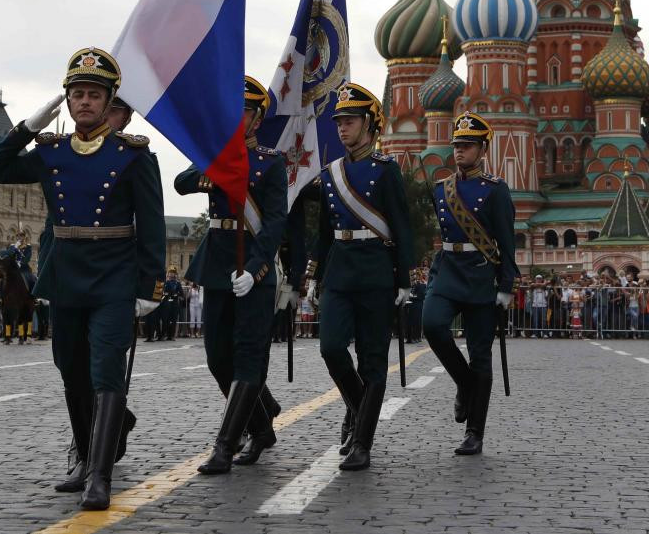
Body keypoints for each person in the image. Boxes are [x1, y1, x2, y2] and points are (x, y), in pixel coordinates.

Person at [0, 46, 166, 510]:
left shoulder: (134, 156)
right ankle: (87, 453)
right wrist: (27, 128)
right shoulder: (51, 153)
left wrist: (150, 287)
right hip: (65, 277)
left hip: (113, 278)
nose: (84, 102)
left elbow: (153, 226)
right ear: (67, 102)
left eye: (94, 95)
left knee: (105, 370)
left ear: (109, 103)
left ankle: (99, 476)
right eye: (77, 94)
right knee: (71, 370)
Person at [175, 75, 294, 475]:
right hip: (217, 265)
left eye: (243, 110)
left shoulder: (271, 163)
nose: (235, 117)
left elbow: (275, 223)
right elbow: (180, 184)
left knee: (247, 358)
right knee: (216, 359)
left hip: (252, 269)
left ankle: (226, 445)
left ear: (257, 118)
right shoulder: (216, 155)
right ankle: (262, 423)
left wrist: (258, 269)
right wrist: (212, 160)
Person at [308, 82, 413, 472]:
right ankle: (357, 408)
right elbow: (322, 231)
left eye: (350, 121)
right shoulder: (331, 172)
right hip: (339, 269)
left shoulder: (386, 170)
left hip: (375, 271)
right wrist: (314, 276)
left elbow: (401, 224)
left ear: (370, 124)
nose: (342, 128)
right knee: (331, 348)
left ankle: (362, 443)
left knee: (372, 361)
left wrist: (403, 278)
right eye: (339, 122)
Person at [422, 111, 517, 456]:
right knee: (432, 325)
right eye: (457, 145)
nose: (459, 151)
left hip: (480, 275)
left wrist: (506, 286)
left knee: (481, 356)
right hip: (448, 271)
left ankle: (475, 431)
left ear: (482, 149)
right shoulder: (441, 189)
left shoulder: (495, 191)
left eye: (467, 145)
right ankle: (464, 384)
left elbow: (507, 241)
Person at [159, 266, 184, 341]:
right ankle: (164, 334)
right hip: (166, 302)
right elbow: (162, 292)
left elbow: (182, 294)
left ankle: (171, 335)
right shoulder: (165, 282)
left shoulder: (178, 283)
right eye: (170, 272)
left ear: (175, 274)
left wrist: (178, 295)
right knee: (165, 319)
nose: (171, 274)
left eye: (173, 273)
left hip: (175, 303)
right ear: (168, 273)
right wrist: (166, 294)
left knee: (173, 319)